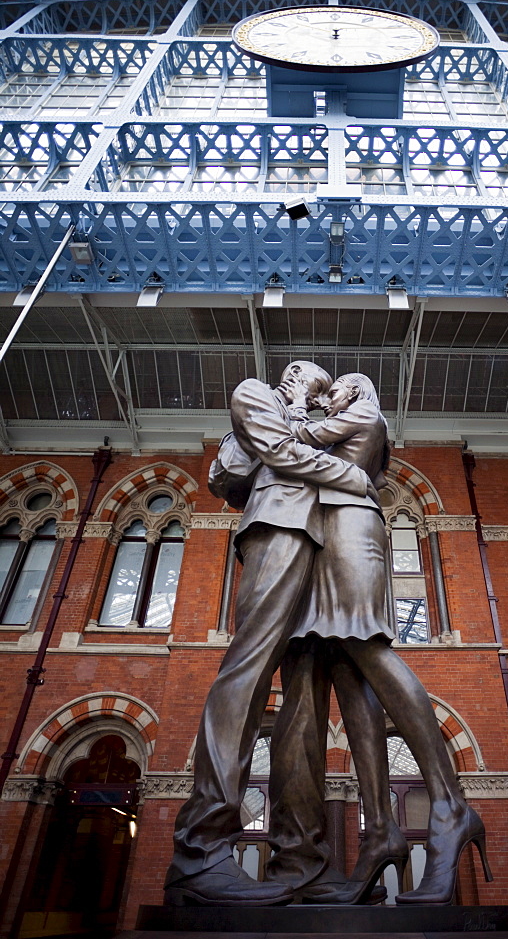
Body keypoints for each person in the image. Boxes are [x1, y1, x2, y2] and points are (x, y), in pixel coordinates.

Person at [164, 361, 394, 907]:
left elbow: (331, 449)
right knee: (247, 671)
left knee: (306, 705)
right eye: (310, 384)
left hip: (324, 546)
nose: (313, 394)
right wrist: (350, 475)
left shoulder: (315, 420)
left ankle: (302, 861)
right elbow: (249, 468)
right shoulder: (255, 394)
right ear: (291, 376)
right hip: (278, 530)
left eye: (318, 390)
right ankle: (200, 851)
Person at [267, 373, 492, 905]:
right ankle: (381, 830)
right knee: (348, 667)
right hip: (328, 532)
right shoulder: (347, 421)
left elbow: (292, 443)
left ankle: (449, 805)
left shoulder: (365, 415)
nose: (333, 393)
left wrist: (299, 401)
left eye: (341, 385)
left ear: (359, 392)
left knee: (367, 646)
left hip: (351, 529)